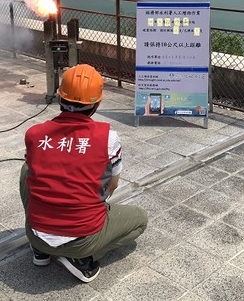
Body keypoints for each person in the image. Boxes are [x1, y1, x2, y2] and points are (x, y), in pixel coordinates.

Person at [20, 64, 148, 283]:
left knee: (26, 170)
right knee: (140, 220)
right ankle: (81, 259)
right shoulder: (108, 138)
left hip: (35, 233)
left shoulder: (34, 135)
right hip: (82, 239)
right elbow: (112, 184)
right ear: (96, 103)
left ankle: (41, 251)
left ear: (60, 98)